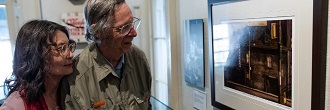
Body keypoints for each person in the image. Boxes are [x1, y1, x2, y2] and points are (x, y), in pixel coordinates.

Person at [60, 0, 152, 110]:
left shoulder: (139, 59)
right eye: (124, 28)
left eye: (132, 23)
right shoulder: (76, 77)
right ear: (98, 32)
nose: (134, 33)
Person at [0, 19, 76, 110]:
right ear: (37, 55)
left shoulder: (68, 90)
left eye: (69, 46)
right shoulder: (15, 105)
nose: (71, 55)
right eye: (61, 48)